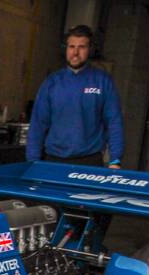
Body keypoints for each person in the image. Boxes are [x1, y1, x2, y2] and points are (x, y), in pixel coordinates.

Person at [26, 25, 125, 168]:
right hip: (53, 160)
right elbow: (38, 124)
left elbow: (114, 122)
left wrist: (115, 159)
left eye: (82, 47)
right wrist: (32, 161)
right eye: (71, 47)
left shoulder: (103, 82)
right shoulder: (52, 83)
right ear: (65, 49)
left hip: (89, 162)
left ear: (90, 50)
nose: (75, 52)